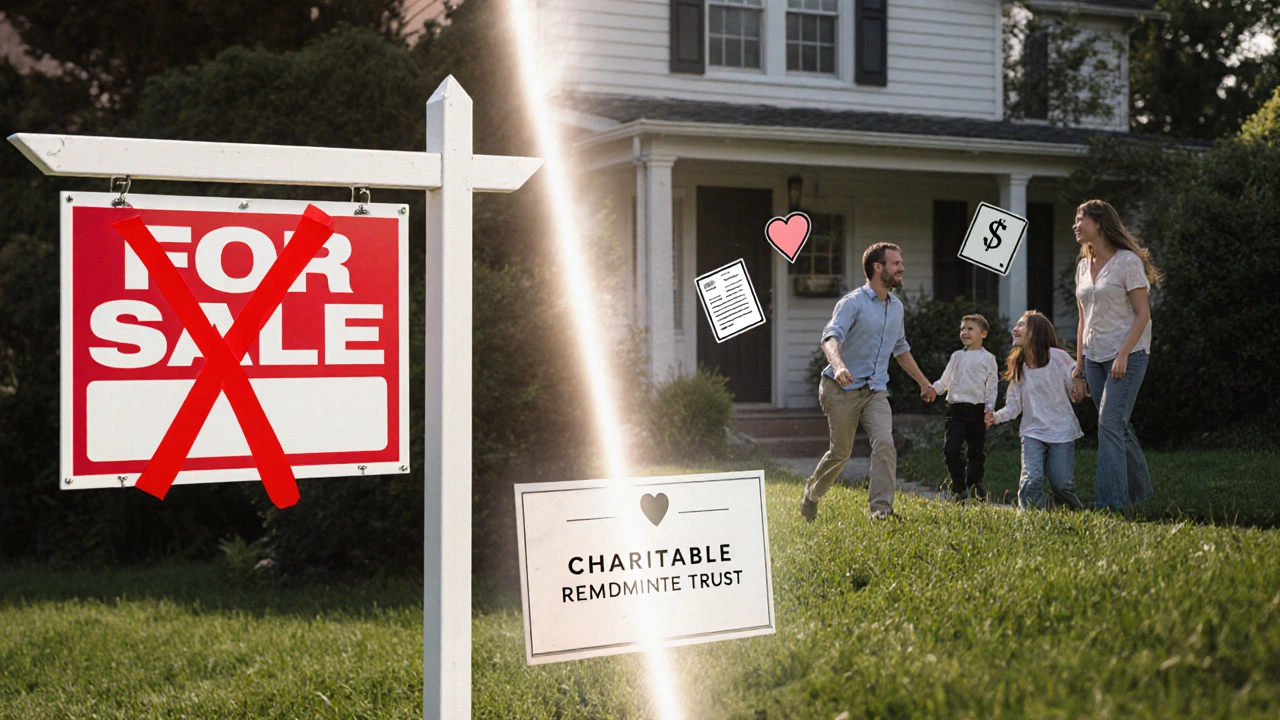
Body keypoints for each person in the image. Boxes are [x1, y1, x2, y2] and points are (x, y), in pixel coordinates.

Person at [799, 242, 937, 523]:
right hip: (841, 389)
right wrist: (838, 366)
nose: (902, 268)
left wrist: (924, 383)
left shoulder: (896, 307)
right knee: (840, 453)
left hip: (875, 390)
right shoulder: (852, 303)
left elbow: (900, 348)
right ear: (878, 267)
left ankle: (881, 512)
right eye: (896, 263)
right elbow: (830, 338)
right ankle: (812, 494)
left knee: (885, 444)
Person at [1070, 199, 1161, 510]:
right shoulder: (1083, 266)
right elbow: (1084, 319)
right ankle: (1141, 495)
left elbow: (1142, 313)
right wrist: (1079, 367)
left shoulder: (1127, 262)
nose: (1076, 225)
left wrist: (1122, 355)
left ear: (1099, 222)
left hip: (1129, 355)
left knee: (1109, 423)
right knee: (1117, 425)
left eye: (1081, 219)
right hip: (1094, 357)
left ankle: (1113, 503)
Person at [986, 311, 1084, 511]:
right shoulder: (1019, 367)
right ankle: (1032, 515)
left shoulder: (1058, 358)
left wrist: (1076, 387)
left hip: (1062, 431)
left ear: (1036, 331)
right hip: (1033, 432)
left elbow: (1074, 381)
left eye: (1021, 325)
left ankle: (1071, 512)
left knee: (1062, 485)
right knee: (1030, 481)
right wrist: (994, 417)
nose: (1015, 329)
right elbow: (1014, 408)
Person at [930, 314, 998, 502]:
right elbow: (945, 381)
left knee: (976, 451)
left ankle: (975, 485)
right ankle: (959, 486)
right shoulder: (956, 356)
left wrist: (989, 409)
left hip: (977, 411)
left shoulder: (988, 358)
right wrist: (933, 390)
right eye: (962, 329)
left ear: (983, 333)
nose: (964, 332)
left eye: (970, 328)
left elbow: (991, 386)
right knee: (951, 450)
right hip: (956, 410)